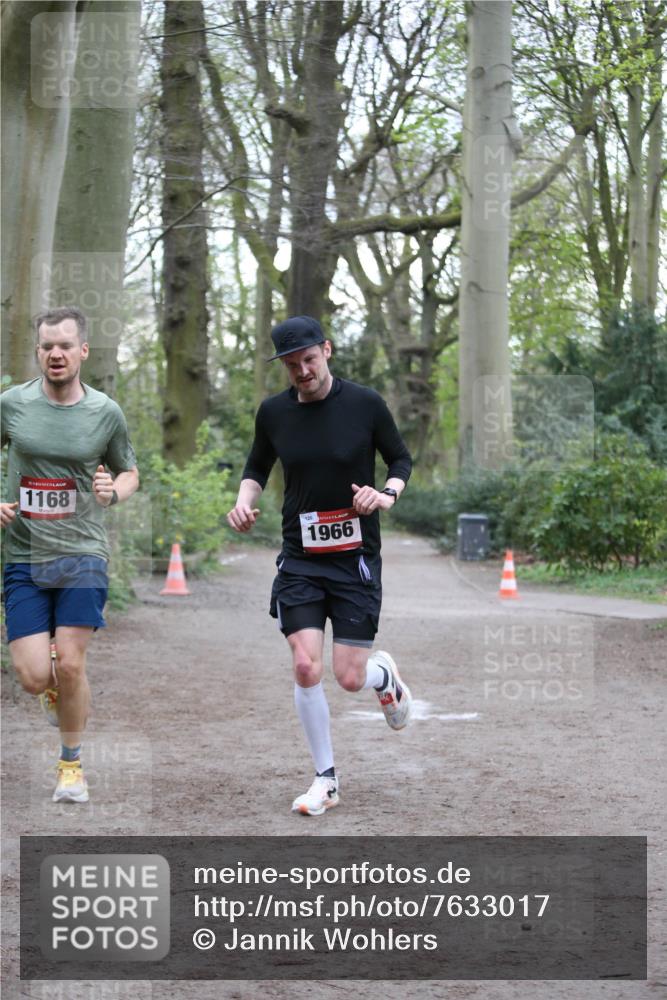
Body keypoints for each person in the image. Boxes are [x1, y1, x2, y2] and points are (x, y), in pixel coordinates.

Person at [227, 315, 413, 816]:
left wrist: (386, 495)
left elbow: (400, 460)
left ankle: (384, 679)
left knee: (349, 677)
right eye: (292, 366)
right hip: (301, 559)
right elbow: (255, 469)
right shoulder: (273, 413)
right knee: (306, 664)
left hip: (354, 558)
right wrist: (244, 501)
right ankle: (325, 780)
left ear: (326, 350)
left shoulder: (365, 404)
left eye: (309, 360)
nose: (302, 372)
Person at [1, 306, 139, 803]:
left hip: (82, 552)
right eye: (46, 346)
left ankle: (71, 766)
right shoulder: (12, 405)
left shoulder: (104, 412)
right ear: (38, 352)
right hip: (24, 555)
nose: (55, 354)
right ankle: (56, 691)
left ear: (83, 351)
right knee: (36, 677)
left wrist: (112, 493)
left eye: (65, 345)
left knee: (73, 664)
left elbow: (128, 471)